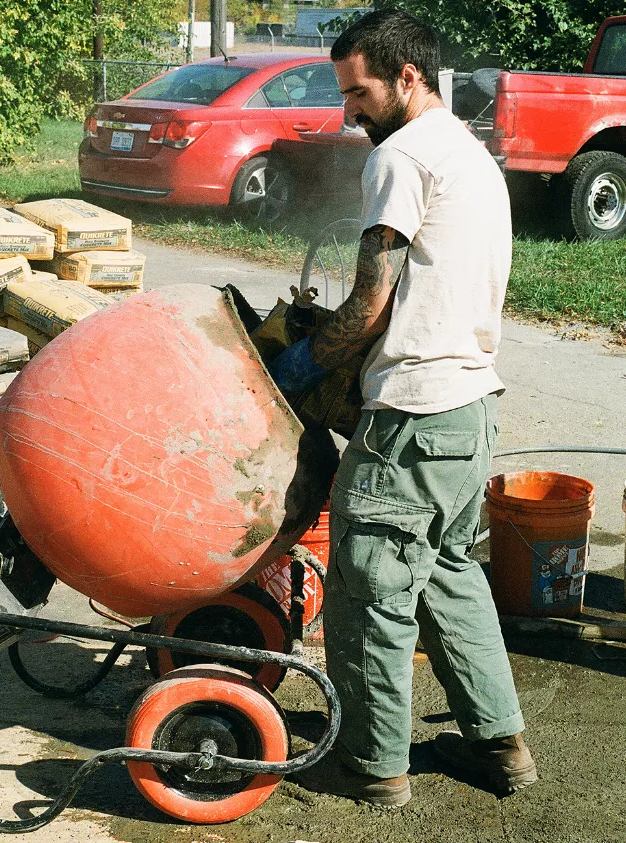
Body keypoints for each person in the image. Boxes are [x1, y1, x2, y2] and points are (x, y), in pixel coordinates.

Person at [269, 8, 537, 807]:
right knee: (450, 574)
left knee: (371, 586)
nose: (348, 110)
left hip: (413, 418)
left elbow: (369, 304)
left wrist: (298, 364)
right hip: (470, 411)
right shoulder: (471, 155)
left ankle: (373, 763)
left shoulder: (403, 157)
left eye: (358, 92)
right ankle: (503, 745)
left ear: (406, 76)